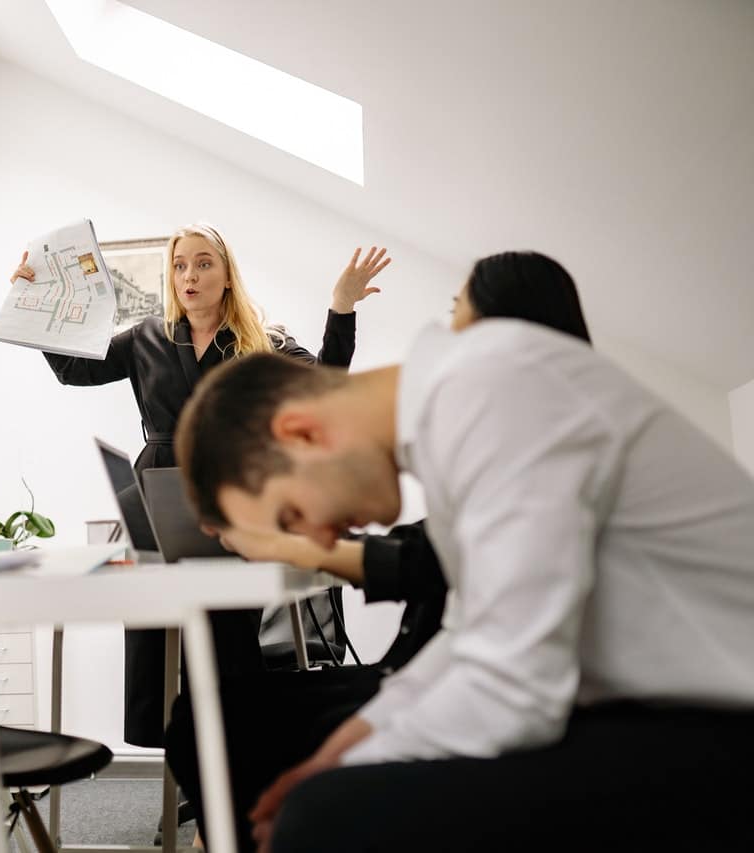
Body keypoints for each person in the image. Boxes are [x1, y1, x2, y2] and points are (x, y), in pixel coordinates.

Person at [174, 259, 754, 850]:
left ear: (301, 433)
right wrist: (345, 745)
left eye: (292, 515)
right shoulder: (454, 406)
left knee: (323, 818)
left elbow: (514, 687)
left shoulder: (488, 390)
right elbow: (466, 635)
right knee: (316, 788)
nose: (317, 543)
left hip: (725, 726)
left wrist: (345, 771)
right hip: (666, 708)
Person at [12, 224, 392, 747]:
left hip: (231, 496)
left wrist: (342, 307)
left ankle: (228, 776)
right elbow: (74, 370)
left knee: (228, 641)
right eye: (180, 264)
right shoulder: (146, 336)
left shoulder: (262, 342)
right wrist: (36, 304)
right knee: (157, 639)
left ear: (227, 275)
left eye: (204, 263)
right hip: (157, 492)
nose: (190, 274)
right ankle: (187, 773)